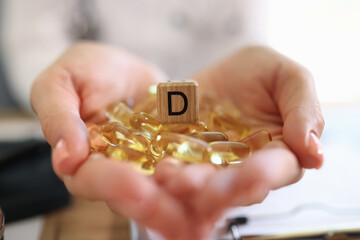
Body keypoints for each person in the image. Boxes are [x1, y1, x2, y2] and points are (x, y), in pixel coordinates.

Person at [31, 42, 324, 240]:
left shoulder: (218, 120)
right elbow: (33, 41)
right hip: (116, 79)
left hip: (235, 76)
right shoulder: (131, 122)